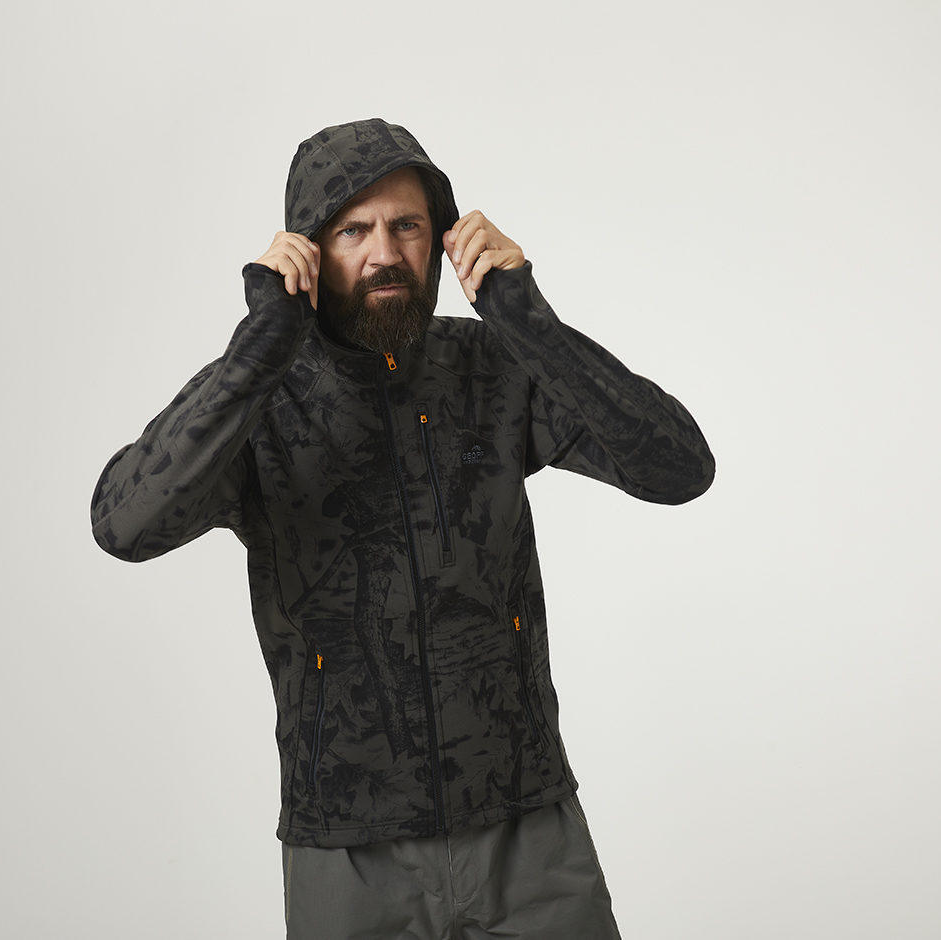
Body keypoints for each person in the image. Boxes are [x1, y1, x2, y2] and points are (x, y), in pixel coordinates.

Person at [90, 118, 715, 938]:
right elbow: (124, 524)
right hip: (348, 847)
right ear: (309, 252)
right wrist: (259, 347)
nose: (384, 253)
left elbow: (679, 468)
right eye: (353, 231)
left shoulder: (492, 369)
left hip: (525, 823)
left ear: (441, 240)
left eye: (406, 226)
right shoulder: (260, 398)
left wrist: (526, 321)